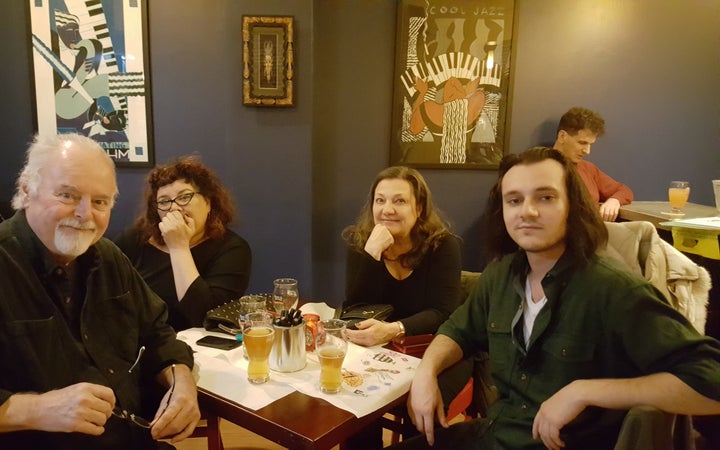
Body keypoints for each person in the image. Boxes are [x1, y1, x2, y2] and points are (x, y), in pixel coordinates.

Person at [394, 147, 720, 450]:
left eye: (546, 197)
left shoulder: (611, 287)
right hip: (495, 434)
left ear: (572, 205)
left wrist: (585, 391)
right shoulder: (502, 274)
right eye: (514, 200)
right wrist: (426, 372)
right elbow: (458, 330)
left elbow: (711, 380)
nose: (528, 211)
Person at [0, 133, 200, 449]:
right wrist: (36, 409)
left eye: (100, 202)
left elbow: (158, 335)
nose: (85, 214)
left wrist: (182, 384)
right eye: (67, 195)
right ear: (27, 190)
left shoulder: (109, 258)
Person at [341, 166, 464, 449]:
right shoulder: (362, 242)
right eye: (380, 200)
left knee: (418, 407)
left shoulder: (443, 246)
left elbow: (442, 312)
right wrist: (372, 255)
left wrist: (394, 329)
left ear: (419, 208)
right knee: (353, 397)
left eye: (399, 201)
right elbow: (355, 308)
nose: (387, 209)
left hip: (437, 346)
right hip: (384, 350)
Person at [114, 156, 251, 331]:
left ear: (208, 203)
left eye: (184, 197)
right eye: (164, 201)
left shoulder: (232, 249)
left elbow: (206, 318)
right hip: (137, 343)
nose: (174, 207)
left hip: (200, 351)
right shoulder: (136, 238)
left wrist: (178, 247)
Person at [553, 107, 633, 222]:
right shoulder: (540, 166)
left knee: (645, 228)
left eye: (590, 144)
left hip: (595, 232)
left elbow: (624, 190)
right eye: (582, 143)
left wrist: (614, 201)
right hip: (566, 234)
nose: (587, 151)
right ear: (562, 136)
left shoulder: (588, 168)